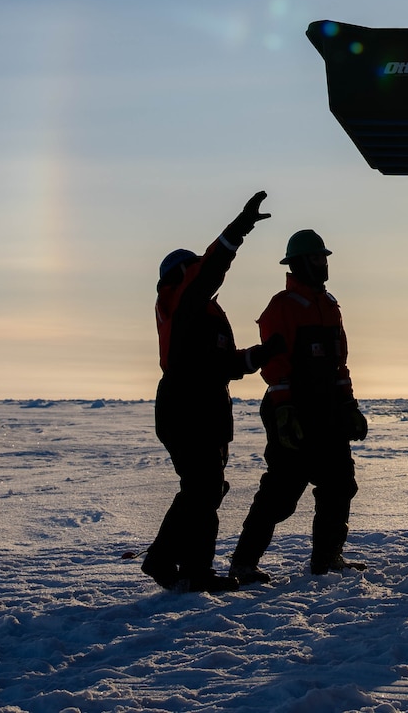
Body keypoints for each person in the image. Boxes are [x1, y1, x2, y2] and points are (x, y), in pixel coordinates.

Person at [143, 190, 271, 593]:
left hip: (207, 408)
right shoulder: (181, 303)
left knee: (203, 489)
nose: (199, 271)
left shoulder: (205, 313)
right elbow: (211, 269)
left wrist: (259, 356)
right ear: (180, 276)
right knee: (202, 489)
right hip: (186, 408)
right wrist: (239, 228)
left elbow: (222, 365)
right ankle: (193, 569)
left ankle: (166, 560)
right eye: (192, 268)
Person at [231, 229, 367, 581]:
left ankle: (327, 559)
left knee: (339, 485)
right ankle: (244, 563)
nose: (324, 264)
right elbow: (275, 363)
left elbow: (339, 363)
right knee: (281, 493)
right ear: (300, 263)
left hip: (329, 409)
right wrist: (284, 409)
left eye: (325, 258)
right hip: (293, 409)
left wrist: (349, 404)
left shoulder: (330, 305)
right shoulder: (282, 307)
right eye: (318, 258)